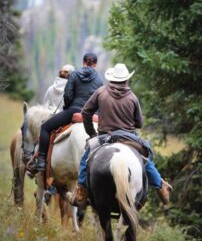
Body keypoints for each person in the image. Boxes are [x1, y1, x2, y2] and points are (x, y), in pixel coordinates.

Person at [67, 63, 173, 207]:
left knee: (86, 159)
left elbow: (86, 112)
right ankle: (161, 187)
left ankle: (81, 192)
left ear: (112, 78)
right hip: (129, 138)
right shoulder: (132, 97)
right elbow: (139, 123)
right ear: (126, 79)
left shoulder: (101, 92)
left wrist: (91, 133)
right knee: (145, 159)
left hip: (105, 137)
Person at [28, 53, 103, 175]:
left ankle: (41, 160)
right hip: (92, 115)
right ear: (95, 64)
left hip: (73, 110)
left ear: (83, 62)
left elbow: (67, 95)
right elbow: (100, 99)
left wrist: (67, 108)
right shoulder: (99, 79)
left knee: (45, 127)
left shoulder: (74, 74)